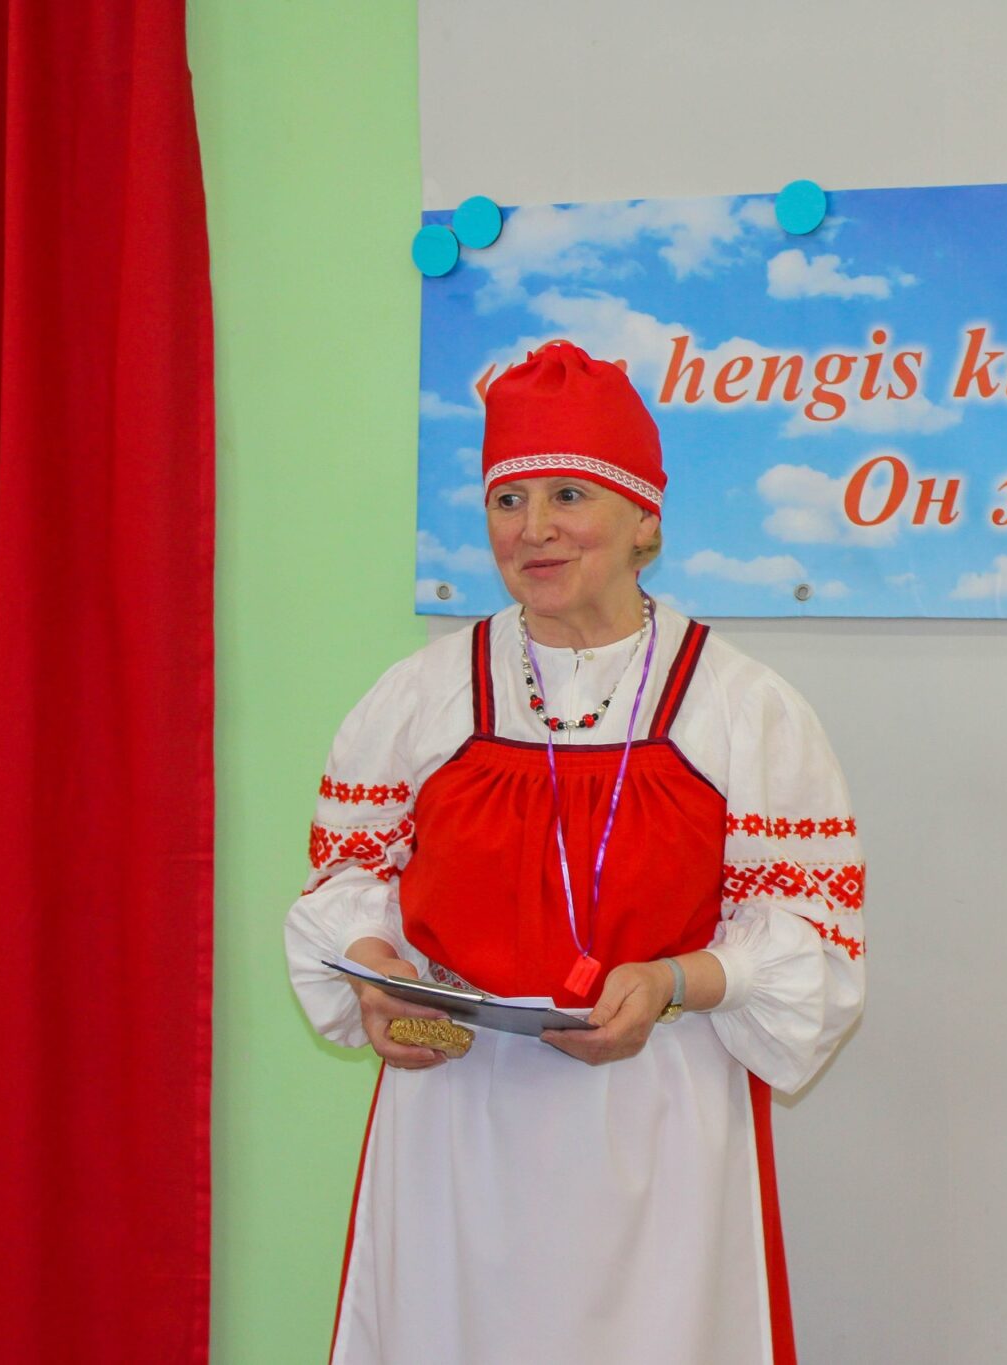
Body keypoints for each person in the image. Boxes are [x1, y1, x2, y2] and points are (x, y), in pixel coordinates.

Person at [284, 340, 866, 1365]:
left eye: (568, 494)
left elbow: (811, 946)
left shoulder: (742, 707)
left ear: (645, 519)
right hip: (456, 1122)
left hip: (655, 1125)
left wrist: (672, 980)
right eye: (507, 500)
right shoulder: (421, 696)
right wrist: (374, 975)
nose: (533, 528)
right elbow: (348, 887)